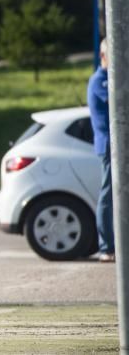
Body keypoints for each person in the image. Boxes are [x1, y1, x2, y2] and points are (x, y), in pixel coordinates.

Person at [88, 37, 115, 262]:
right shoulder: (100, 80)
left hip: (117, 146)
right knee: (108, 195)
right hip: (109, 146)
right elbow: (119, 102)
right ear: (103, 56)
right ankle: (106, 246)